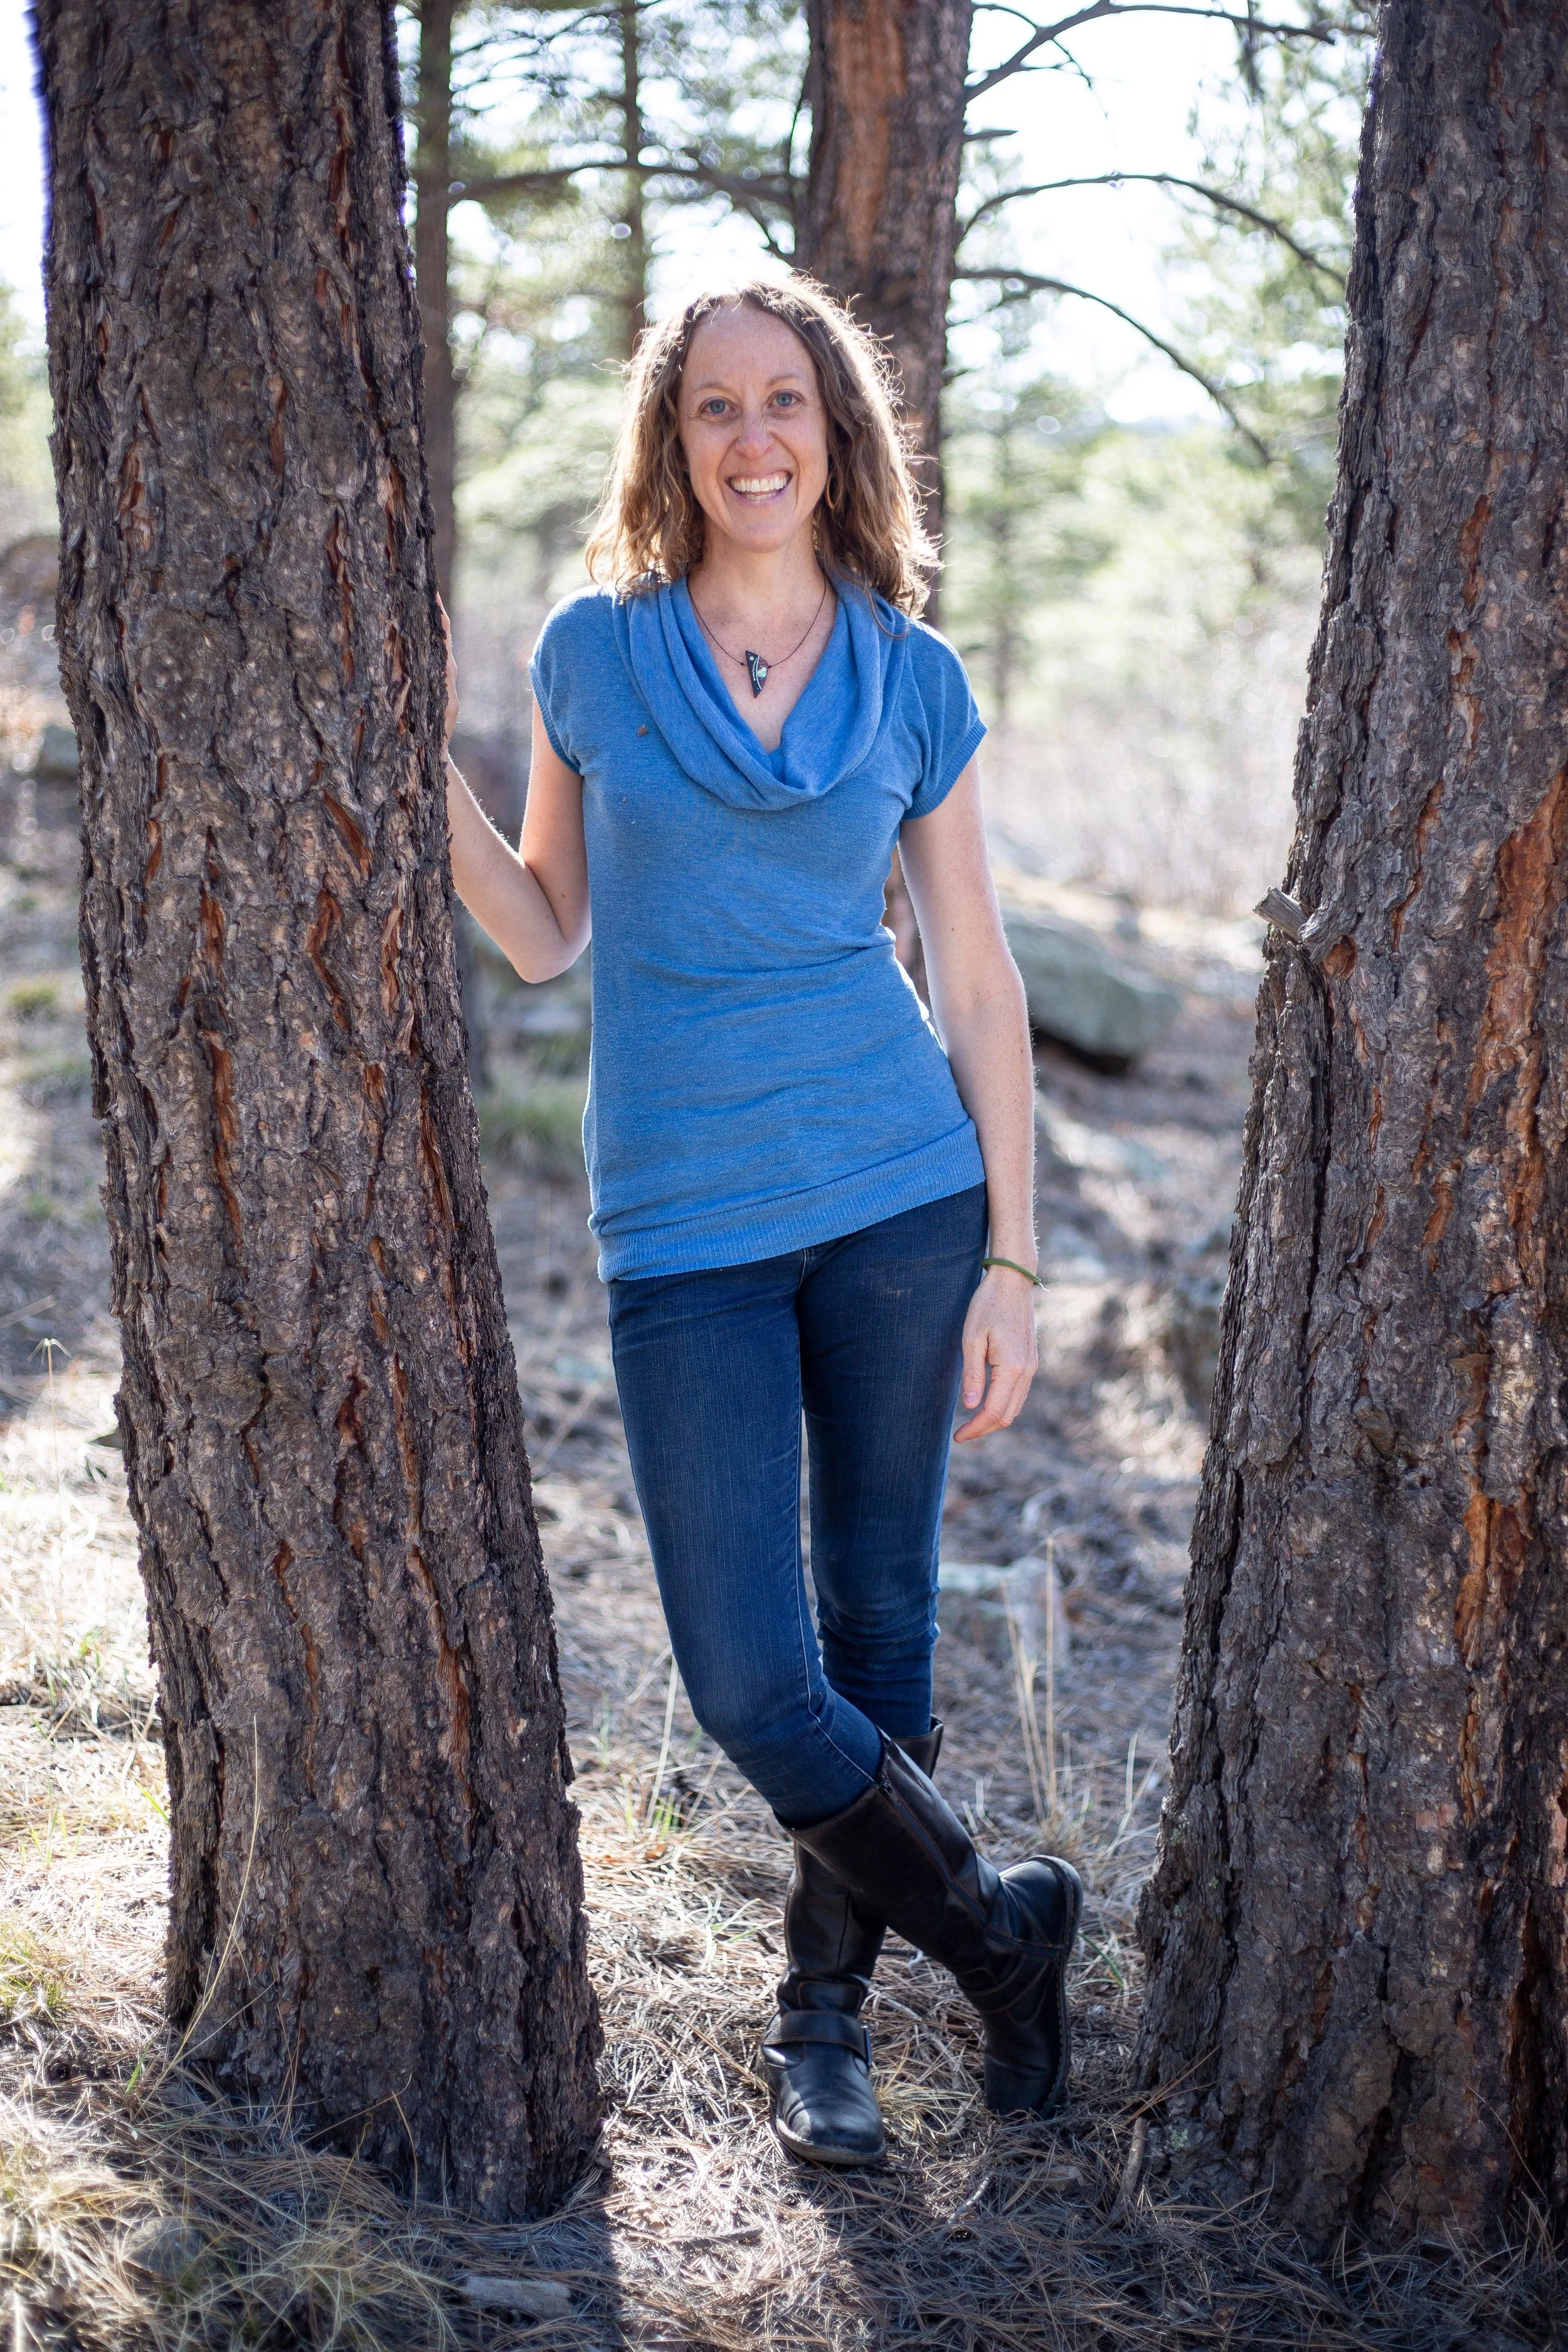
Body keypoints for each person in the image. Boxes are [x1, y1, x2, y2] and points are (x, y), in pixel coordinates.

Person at [442, 275, 1080, 2168]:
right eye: (712, 405)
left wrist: (1016, 1262)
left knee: (878, 1622)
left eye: (782, 401)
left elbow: (975, 979)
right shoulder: (594, 651)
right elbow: (550, 930)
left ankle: (826, 2021)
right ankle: (995, 1930)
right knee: (746, 1670)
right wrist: (407, 778)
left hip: (899, 1196)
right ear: (671, 435)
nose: (750, 438)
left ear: (835, 432)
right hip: (682, 1222)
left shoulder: (910, 675)